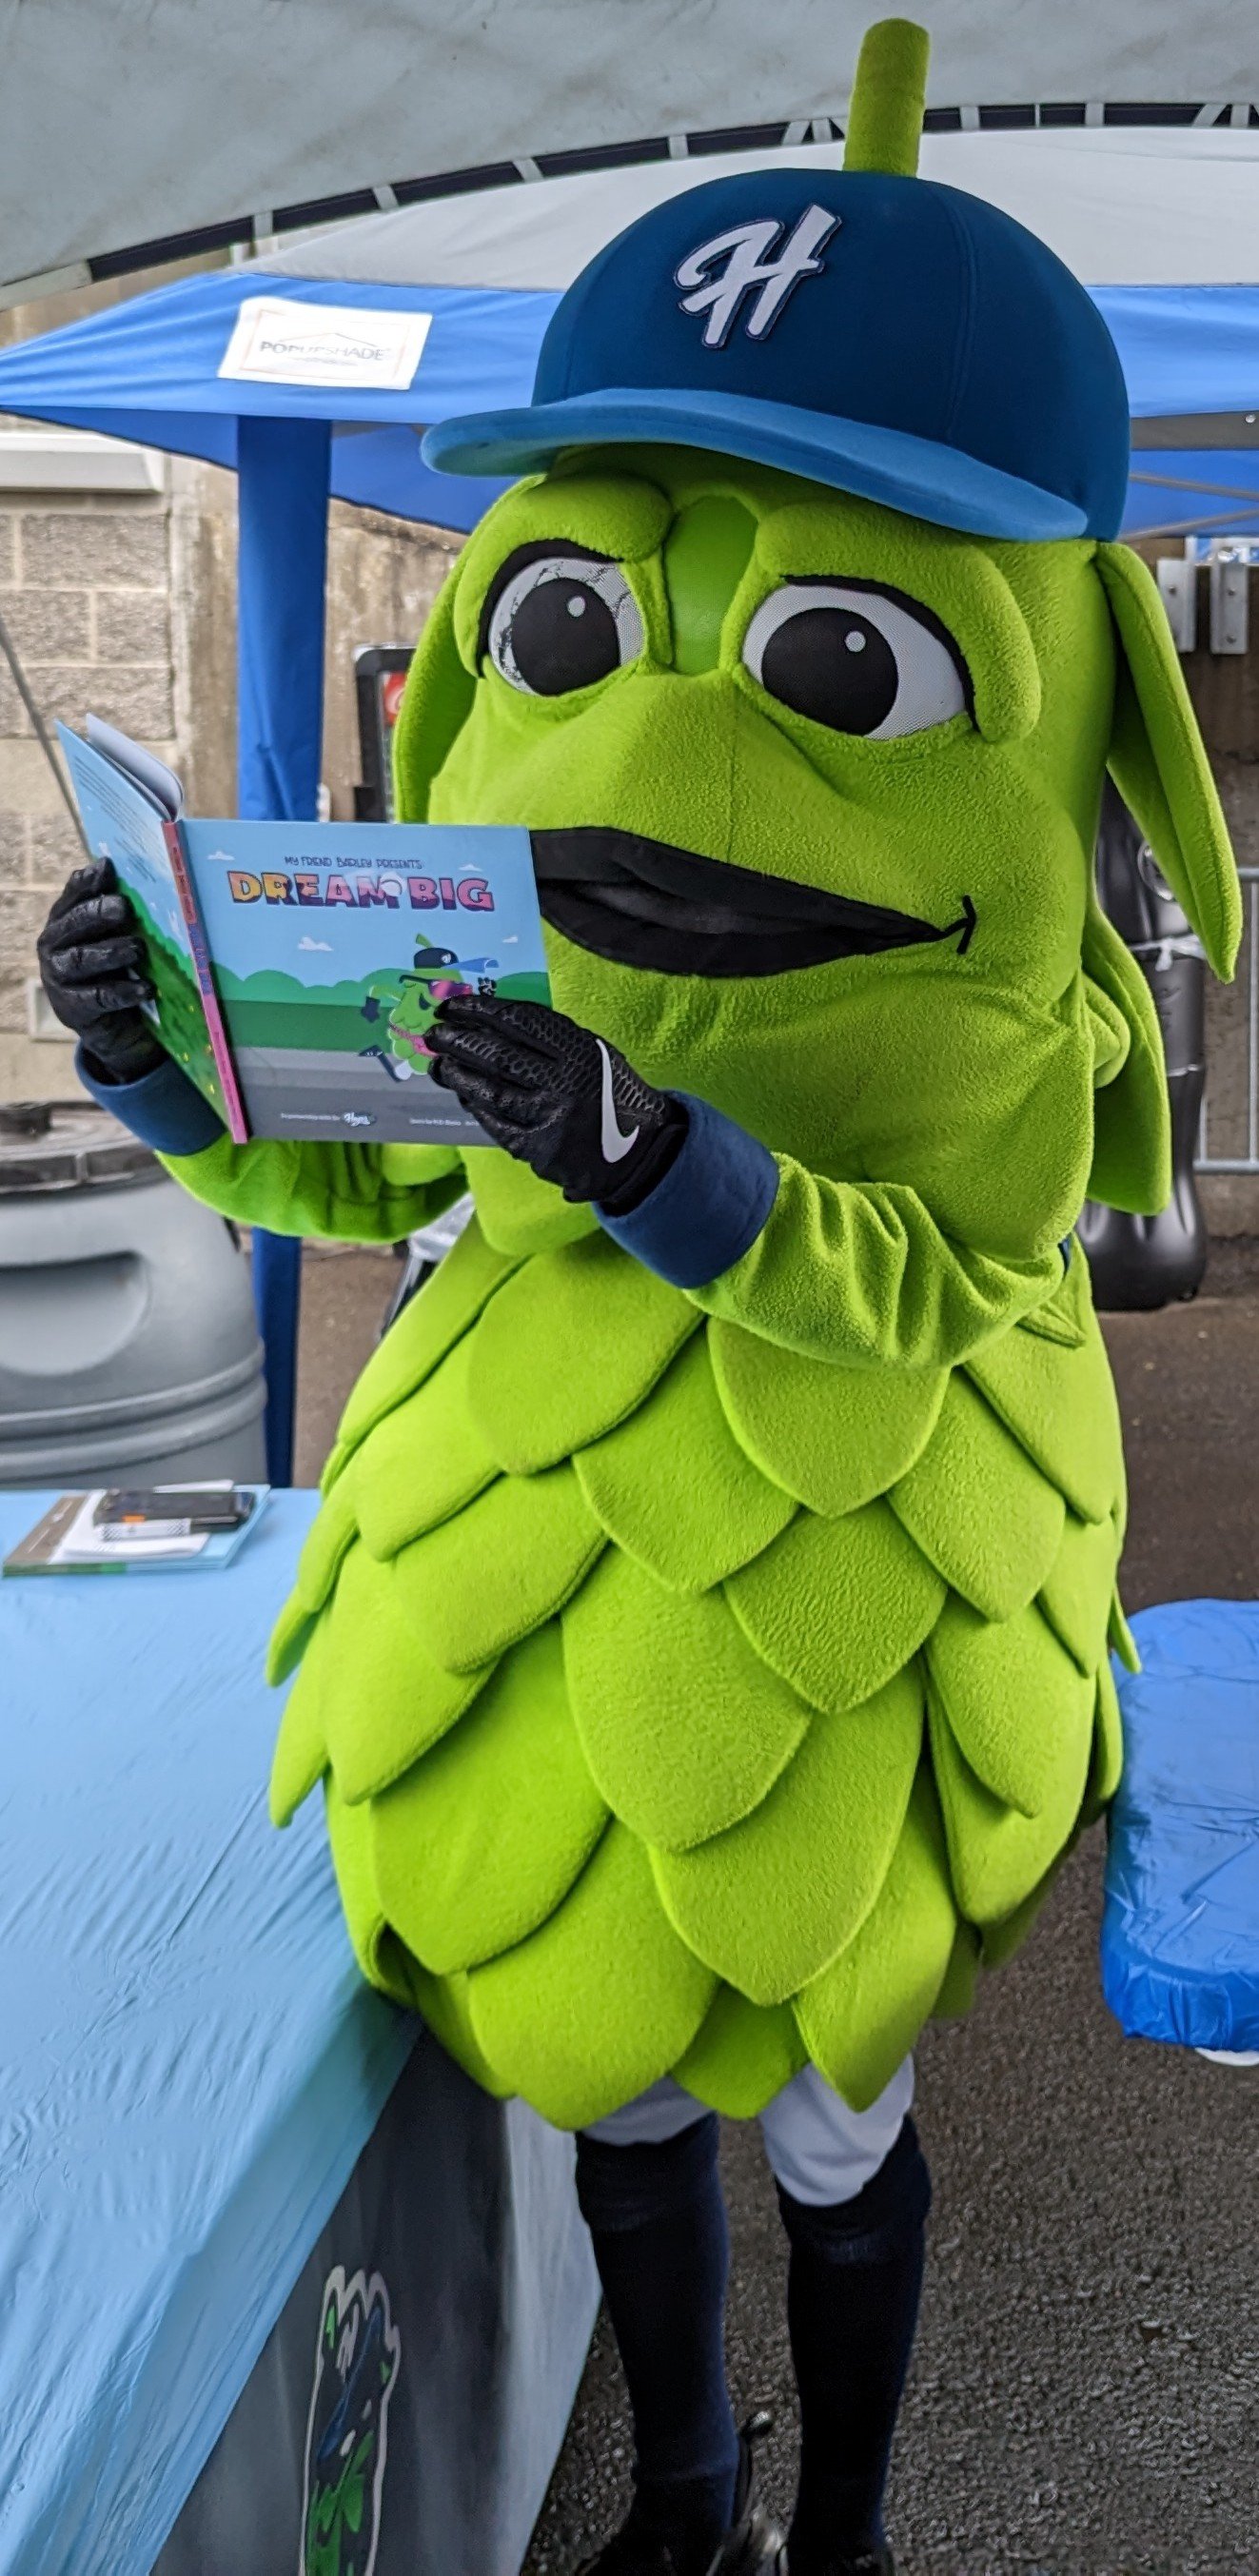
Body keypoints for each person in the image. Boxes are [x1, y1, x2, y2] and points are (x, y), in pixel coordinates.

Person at [37, 22, 1239, 2572]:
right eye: (574, 628)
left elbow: (929, 1285)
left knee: (832, 2109)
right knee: (621, 2098)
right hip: (556, 1586)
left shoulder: (980, 1099)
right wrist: (182, 1072)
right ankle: (686, 2497)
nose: (647, 735)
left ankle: (850, 2527)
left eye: (838, 667)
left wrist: (668, 1164)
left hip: (868, 1581)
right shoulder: (494, 965)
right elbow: (365, 1190)